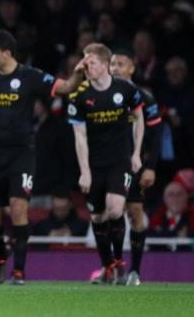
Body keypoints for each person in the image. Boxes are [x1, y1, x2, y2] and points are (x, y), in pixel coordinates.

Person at [0, 29, 85, 285]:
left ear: (6, 53)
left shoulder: (30, 76)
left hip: (21, 153)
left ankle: (19, 271)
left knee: (18, 209)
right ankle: (1, 257)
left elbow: (67, 87)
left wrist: (79, 72)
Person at [68, 43, 144, 285]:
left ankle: (120, 263)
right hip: (94, 163)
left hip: (119, 160)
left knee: (115, 208)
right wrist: (85, 172)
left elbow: (139, 118)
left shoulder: (125, 89)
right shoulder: (80, 95)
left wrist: (137, 154)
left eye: (91, 63)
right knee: (99, 218)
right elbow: (79, 136)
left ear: (104, 65)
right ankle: (107, 265)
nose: (86, 67)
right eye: (85, 63)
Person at [109, 50, 162, 286]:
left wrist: (150, 167)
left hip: (134, 166)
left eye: (121, 64)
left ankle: (135, 271)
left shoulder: (143, 97)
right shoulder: (99, 94)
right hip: (105, 165)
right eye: (112, 64)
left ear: (131, 68)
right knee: (108, 214)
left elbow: (156, 135)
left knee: (134, 213)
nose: (116, 68)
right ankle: (112, 266)